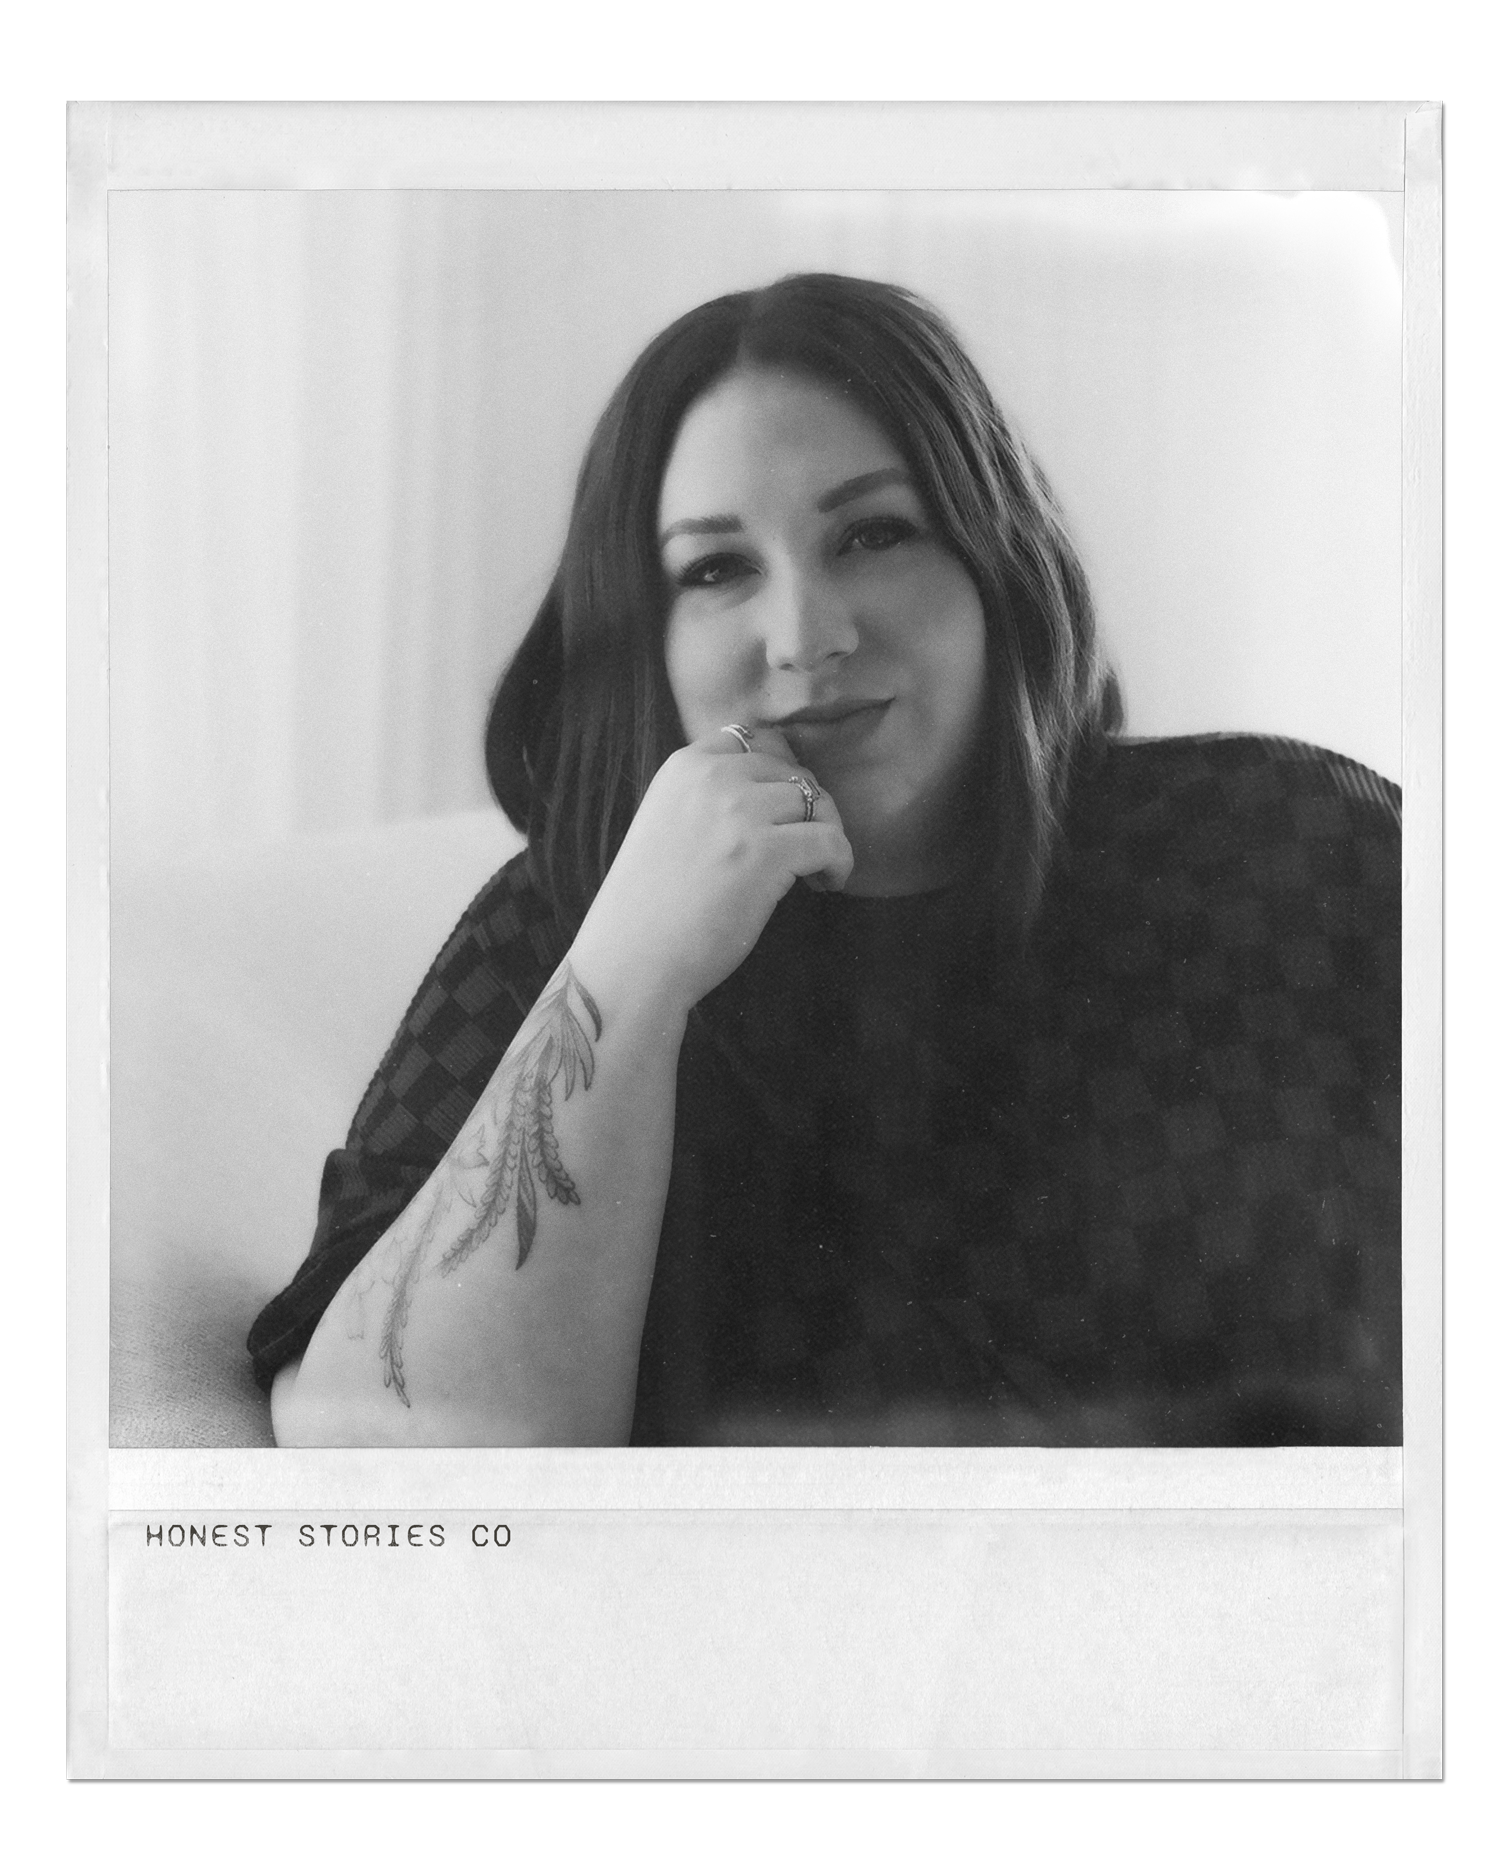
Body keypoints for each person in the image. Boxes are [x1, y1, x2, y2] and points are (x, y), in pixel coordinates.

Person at [251, 273, 1401, 1448]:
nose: (806, 637)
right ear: (640, 640)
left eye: (873, 535)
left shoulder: (1294, 842)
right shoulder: (561, 932)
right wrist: (635, 972)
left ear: (997, 562)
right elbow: (387, 1456)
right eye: (714, 570)